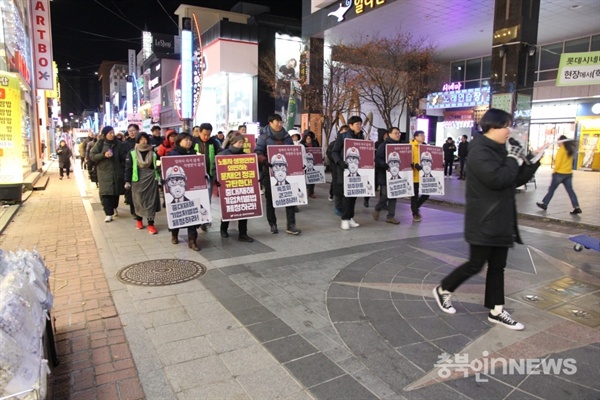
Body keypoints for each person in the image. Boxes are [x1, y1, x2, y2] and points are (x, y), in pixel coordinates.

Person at [432, 108, 540, 331]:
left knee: (498, 266)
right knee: (476, 264)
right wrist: (512, 158)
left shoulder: (500, 149)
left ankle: (497, 310)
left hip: (501, 217)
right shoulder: (479, 150)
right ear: (493, 127)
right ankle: (443, 289)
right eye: (506, 126)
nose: (509, 130)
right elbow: (497, 179)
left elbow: (512, 180)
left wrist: (532, 161)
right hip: (484, 218)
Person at [255, 113, 301, 235]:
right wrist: (264, 160)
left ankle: (291, 225)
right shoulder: (263, 137)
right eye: (277, 122)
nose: (279, 125)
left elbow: (292, 151)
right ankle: (273, 224)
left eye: (281, 122)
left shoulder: (287, 137)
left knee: (290, 198)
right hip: (268, 172)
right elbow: (257, 152)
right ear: (270, 123)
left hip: (287, 173)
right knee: (270, 200)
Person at [166, 132, 201, 251]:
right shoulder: (172, 154)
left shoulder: (195, 154)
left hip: (191, 190)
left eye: (190, 140)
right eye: (185, 140)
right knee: (176, 212)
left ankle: (193, 240)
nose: (188, 142)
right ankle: (174, 234)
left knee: (192, 214)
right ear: (179, 141)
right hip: (176, 192)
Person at [331, 115, 366, 230]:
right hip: (344, 170)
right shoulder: (343, 136)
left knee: (354, 195)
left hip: (357, 170)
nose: (359, 126)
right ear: (350, 125)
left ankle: (350, 217)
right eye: (357, 124)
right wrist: (339, 162)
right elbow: (334, 152)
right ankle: (344, 219)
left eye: (360, 124)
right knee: (346, 195)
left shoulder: (361, 137)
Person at [218, 132, 254, 242]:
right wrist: (217, 179)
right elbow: (216, 169)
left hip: (242, 186)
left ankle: (243, 233)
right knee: (229, 208)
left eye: (242, 142)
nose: (241, 144)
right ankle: (223, 229)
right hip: (228, 186)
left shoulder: (245, 155)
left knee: (243, 209)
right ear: (233, 142)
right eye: (239, 142)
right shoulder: (223, 154)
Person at [124, 132, 161, 235]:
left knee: (151, 201)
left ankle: (151, 224)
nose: (144, 141)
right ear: (138, 141)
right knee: (138, 201)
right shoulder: (132, 153)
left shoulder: (153, 152)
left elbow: (157, 164)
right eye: (141, 139)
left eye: (146, 139)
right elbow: (128, 168)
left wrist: (159, 169)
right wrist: (127, 180)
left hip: (151, 179)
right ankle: (139, 220)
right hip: (137, 180)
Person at [90, 126, 128, 222]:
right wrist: (103, 155)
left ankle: (114, 207)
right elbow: (92, 156)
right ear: (105, 134)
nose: (112, 134)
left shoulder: (119, 144)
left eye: (112, 132)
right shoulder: (100, 143)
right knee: (105, 193)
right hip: (104, 173)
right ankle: (108, 213)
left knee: (115, 193)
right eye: (109, 133)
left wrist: (122, 164)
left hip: (116, 172)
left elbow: (123, 156)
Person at [536, 136, 581, 214]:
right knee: (570, 191)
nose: (557, 143)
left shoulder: (561, 150)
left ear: (562, 141)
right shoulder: (569, 149)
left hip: (559, 173)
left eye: (558, 141)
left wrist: (554, 172)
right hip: (568, 173)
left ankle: (545, 204)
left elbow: (558, 163)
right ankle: (577, 207)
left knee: (552, 189)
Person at [193, 123, 221, 233]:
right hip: (195, 176)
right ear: (199, 132)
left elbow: (219, 156)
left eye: (208, 134)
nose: (206, 137)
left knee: (206, 198)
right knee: (196, 198)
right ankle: (196, 219)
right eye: (204, 134)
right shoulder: (193, 142)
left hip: (209, 175)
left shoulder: (214, 143)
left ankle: (205, 220)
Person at [373, 127, 401, 224]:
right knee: (385, 195)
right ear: (389, 134)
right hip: (384, 174)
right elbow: (377, 159)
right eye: (395, 133)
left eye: (399, 133)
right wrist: (385, 165)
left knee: (394, 195)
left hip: (396, 175)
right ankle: (378, 208)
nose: (398, 135)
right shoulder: (383, 145)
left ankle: (390, 216)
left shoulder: (400, 146)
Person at [327, 125, 349, 214]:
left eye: (346, 131)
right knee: (338, 187)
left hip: (347, 169)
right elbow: (330, 154)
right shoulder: (334, 143)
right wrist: (339, 161)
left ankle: (344, 207)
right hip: (336, 168)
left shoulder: (350, 144)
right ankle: (338, 207)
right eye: (343, 130)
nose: (345, 132)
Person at [410, 130, 429, 222]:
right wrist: (414, 165)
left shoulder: (425, 147)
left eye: (424, 135)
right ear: (415, 137)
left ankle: (415, 207)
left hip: (424, 175)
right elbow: (407, 159)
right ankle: (415, 213)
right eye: (421, 135)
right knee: (415, 195)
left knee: (426, 194)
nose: (423, 137)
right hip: (414, 175)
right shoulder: (410, 146)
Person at [300, 130, 320, 198]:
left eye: (310, 138)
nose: (309, 140)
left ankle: (311, 192)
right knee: (304, 179)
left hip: (312, 164)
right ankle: (304, 190)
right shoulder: (301, 145)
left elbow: (318, 153)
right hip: (304, 164)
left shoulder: (315, 144)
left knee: (312, 178)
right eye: (308, 138)